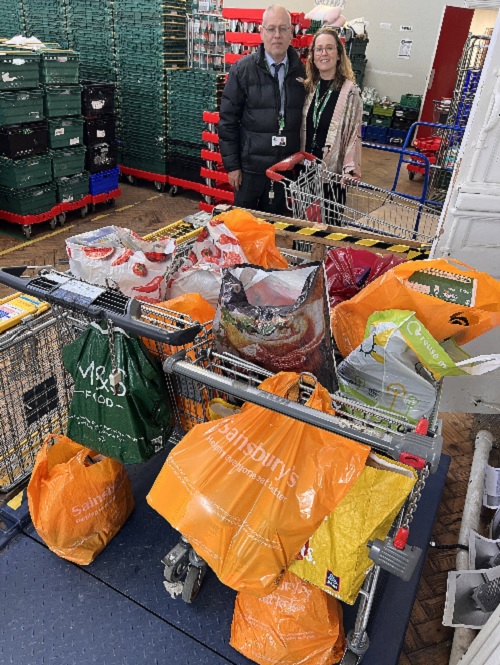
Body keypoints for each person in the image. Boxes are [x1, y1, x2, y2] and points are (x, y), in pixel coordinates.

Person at [218, 5, 305, 215]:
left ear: (291, 33)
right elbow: (227, 121)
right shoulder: (242, 70)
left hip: (284, 171)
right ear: (261, 32)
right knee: (244, 229)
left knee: (275, 231)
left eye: (283, 29)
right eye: (271, 29)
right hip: (250, 170)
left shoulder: (303, 72)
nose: (277, 35)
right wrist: (232, 166)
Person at [301, 26, 362, 222]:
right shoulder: (309, 87)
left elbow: (355, 133)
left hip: (332, 175)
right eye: (318, 49)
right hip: (306, 171)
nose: (323, 53)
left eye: (329, 48)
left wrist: (349, 169)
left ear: (338, 54)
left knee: (328, 227)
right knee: (303, 224)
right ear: (313, 56)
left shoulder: (350, 92)